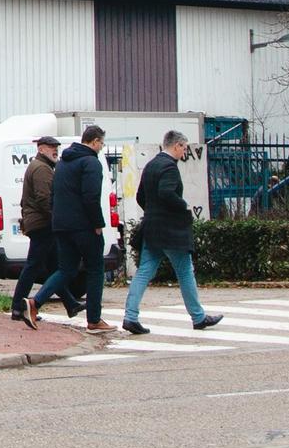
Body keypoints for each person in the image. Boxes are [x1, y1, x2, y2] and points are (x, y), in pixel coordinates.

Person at [121, 130, 222, 334]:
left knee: (144, 271)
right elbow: (166, 193)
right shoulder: (169, 167)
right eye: (184, 148)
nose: (184, 152)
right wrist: (183, 207)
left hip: (152, 228)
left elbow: (141, 196)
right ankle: (198, 317)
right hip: (171, 231)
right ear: (176, 146)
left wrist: (153, 211)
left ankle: (130, 316)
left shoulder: (151, 165)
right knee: (185, 271)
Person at [26, 125, 114, 332]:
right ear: (94, 142)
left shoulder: (63, 162)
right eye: (101, 143)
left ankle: (34, 303)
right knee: (95, 269)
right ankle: (94, 320)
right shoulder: (91, 162)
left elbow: (54, 195)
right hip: (84, 226)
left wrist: (57, 219)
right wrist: (98, 224)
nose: (101, 147)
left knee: (66, 269)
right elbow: (91, 197)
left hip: (61, 226)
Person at [10, 136, 83, 323]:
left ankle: (70, 303)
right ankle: (17, 307)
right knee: (34, 265)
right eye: (51, 147)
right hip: (43, 224)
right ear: (40, 149)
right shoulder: (42, 169)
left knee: (53, 267)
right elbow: (45, 199)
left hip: (40, 223)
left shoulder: (41, 166)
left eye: (56, 147)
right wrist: (58, 219)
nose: (55, 150)